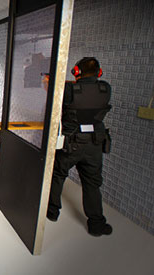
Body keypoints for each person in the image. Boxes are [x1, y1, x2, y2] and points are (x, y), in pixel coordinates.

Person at [47, 57, 113, 237]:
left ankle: (52, 212)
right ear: (99, 73)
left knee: (58, 176)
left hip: (71, 142)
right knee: (92, 183)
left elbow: (58, 100)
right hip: (95, 144)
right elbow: (88, 92)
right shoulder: (105, 88)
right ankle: (96, 224)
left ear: (76, 72)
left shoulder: (69, 90)